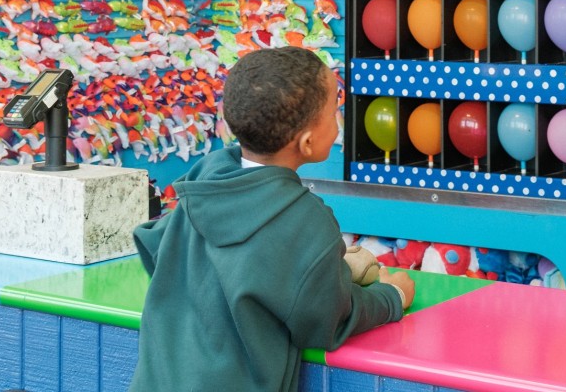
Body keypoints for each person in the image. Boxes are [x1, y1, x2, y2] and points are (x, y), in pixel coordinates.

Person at [129, 47, 415, 392]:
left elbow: (159, 247)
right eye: (333, 111)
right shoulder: (306, 219)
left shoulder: (206, 177)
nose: (338, 118)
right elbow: (326, 320)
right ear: (308, 143)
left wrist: (331, 271)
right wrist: (393, 297)